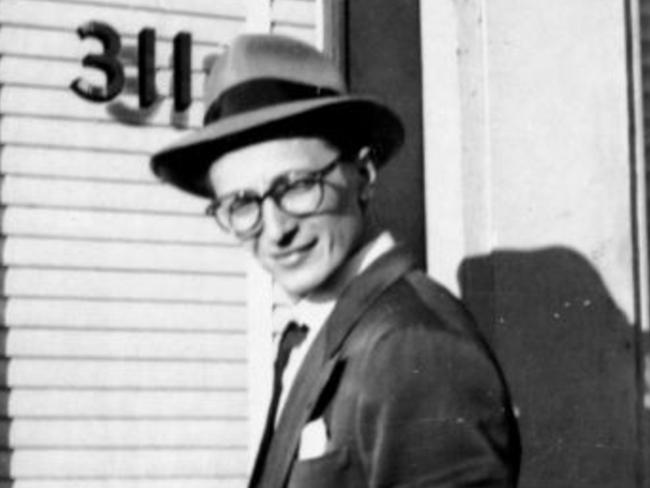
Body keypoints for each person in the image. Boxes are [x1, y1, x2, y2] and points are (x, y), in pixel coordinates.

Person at [151, 33, 520, 488]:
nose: (277, 228)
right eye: (242, 204)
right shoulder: (321, 330)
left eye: (298, 185)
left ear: (363, 176)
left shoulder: (412, 344)